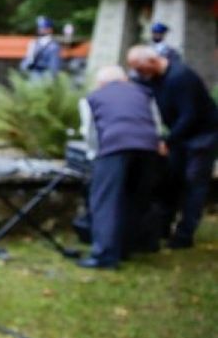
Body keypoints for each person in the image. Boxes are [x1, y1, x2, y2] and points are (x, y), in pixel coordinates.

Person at [127, 45, 218, 248]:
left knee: (194, 182)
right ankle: (162, 228)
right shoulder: (154, 77)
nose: (139, 74)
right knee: (171, 179)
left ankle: (184, 235)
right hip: (180, 136)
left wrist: (167, 141)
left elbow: (189, 116)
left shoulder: (181, 77)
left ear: (152, 62)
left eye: (140, 69)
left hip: (202, 135)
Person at [77, 65, 164, 268]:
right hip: (147, 148)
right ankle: (127, 247)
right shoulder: (144, 93)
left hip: (114, 146)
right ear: (124, 79)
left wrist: (94, 156)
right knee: (134, 198)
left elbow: (91, 132)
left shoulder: (92, 97)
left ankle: (105, 255)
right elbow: (156, 122)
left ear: (100, 83)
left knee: (105, 200)